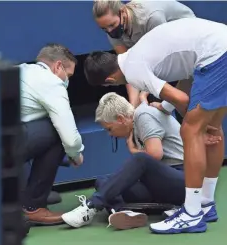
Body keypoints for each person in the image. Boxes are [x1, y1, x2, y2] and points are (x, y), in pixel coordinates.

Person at [83, 17, 227, 234]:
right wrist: (168, 107)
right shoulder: (133, 55)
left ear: (109, 82)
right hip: (217, 48)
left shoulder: (133, 70)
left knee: (189, 130)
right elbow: (187, 78)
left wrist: (196, 127)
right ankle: (205, 205)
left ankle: (192, 213)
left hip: (217, 53)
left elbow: (182, 99)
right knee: (214, 127)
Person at [62, 92, 187, 229]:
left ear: (121, 119)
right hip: (161, 186)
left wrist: (134, 151)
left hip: (185, 180)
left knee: (140, 159)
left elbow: (155, 154)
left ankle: (92, 205)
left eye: (110, 129)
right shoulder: (134, 124)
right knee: (103, 181)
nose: (110, 134)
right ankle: (122, 213)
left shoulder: (143, 115)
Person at [17, 43, 84, 225]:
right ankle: (33, 207)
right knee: (58, 131)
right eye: (68, 75)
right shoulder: (51, 82)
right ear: (58, 66)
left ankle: (24, 196)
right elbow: (69, 138)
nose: (67, 81)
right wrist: (76, 154)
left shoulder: (21, 70)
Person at [92, 0, 195, 107]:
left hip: (188, 46)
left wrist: (145, 91)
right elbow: (127, 68)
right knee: (149, 100)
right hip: (161, 55)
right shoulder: (112, 32)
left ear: (122, 12)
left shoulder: (151, 18)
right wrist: (133, 106)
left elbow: (164, 61)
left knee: (180, 101)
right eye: (104, 29)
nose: (109, 31)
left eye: (112, 25)